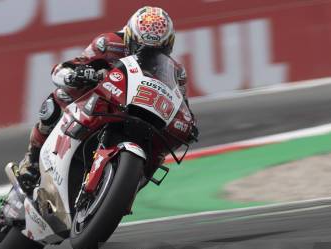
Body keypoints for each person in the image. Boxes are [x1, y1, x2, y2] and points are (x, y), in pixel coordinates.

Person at [17, 6, 196, 190]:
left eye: (157, 50)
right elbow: (65, 68)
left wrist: (189, 125)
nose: (149, 56)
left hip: (143, 116)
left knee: (159, 150)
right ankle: (31, 161)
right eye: (142, 48)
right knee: (58, 98)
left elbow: (182, 105)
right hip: (104, 104)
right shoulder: (108, 44)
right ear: (129, 37)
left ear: (169, 46)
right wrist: (75, 75)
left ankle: (124, 190)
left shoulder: (176, 72)